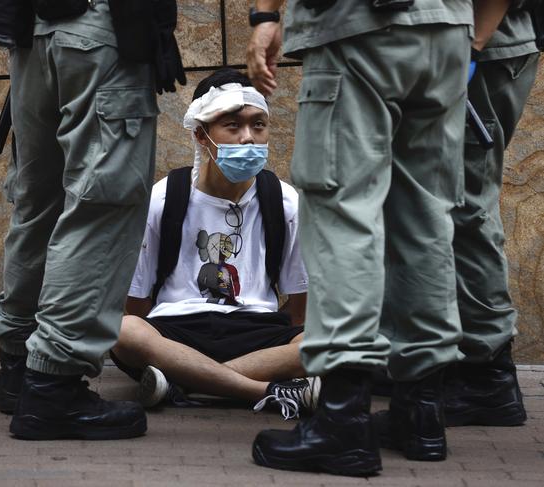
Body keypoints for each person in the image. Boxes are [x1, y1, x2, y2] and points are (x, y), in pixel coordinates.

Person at [246, 0, 513, 477]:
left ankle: (343, 421)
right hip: (447, 30)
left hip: (358, 28)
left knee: (343, 215)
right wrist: (471, 37)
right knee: (426, 220)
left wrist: (265, 17)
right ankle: (421, 413)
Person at [0, 1, 163, 440]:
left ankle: (18, 367)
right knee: (101, 205)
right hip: (99, 26)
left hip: (31, 31)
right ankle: (53, 386)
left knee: (38, 202)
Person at [110, 68, 318, 419]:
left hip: (256, 331)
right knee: (121, 329)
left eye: (258, 125)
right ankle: (264, 390)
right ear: (201, 135)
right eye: (233, 126)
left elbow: (300, 309)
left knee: (318, 343)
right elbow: (136, 302)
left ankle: (182, 384)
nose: (248, 138)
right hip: (176, 331)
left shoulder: (284, 201)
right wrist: (166, 347)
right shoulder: (163, 198)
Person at [445, 3, 540, 427]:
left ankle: (488, 374)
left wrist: (471, 46)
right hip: (476, 45)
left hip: (479, 49)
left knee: (466, 207)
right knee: (449, 208)